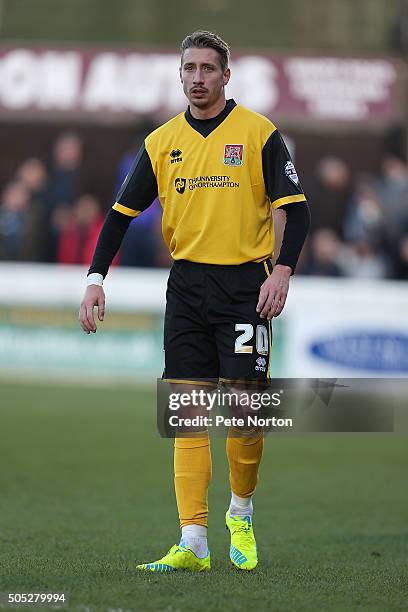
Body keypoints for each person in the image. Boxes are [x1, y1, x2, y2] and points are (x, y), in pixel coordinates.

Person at [79, 30, 310, 572]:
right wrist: (95, 278)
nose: (199, 78)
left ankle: (242, 512)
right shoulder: (162, 142)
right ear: (180, 75)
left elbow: (296, 210)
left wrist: (281, 271)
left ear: (226, 76)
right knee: (185, 413)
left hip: (244, 290)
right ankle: (194, 540)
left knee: (246, 414)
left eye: (209, 69)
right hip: (185, 288)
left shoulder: (259, 133)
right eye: (190, 69)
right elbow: (119, 215)